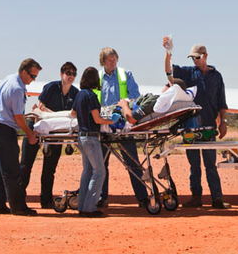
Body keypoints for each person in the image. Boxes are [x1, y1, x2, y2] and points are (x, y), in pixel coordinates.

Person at [164, 40, 230, 209]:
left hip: (209, 126)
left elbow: (222, 101)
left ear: (205, 56)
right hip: (190, 126)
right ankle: (196, 197)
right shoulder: (188, 73)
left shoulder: (216, 76)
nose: (195, 60)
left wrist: (223, 122)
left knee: (210, 164)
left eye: (198, 57)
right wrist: (168, 52)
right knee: (194, 164)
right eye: (192, 58)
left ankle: (217, 198)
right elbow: (169, 73)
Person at [0, 58, 42, 216]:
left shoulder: (9, 78)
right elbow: (18, 117)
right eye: (32, 76)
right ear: (24, 72)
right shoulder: (17, 88)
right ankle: (18, 207)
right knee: (12, 170)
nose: (33, 80)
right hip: (4, 130)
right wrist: (30, 134)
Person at [96, 47, 149, 209]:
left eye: (115, 59)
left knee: (133, 162)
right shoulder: (96, 77)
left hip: (123, 126)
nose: (113, 62)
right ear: (103, 61)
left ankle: (142, 198)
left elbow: (136, 97)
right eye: (110, 59)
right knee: (101, 164)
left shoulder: (126, 75)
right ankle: (101, 198)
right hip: (103, 126)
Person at [19, 61, 78, 209]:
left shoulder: (75, 93)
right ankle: (18, 198)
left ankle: (46, 200)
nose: (71, 76)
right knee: (26, 164)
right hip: (37, 128)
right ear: (61, 74)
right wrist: (58, 116)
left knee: (50, 169)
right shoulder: (51, 87)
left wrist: (56, 118)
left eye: (73, 74)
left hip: (57, 132)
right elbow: (41, 107)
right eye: (68, 73)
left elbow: (74, 114)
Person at [73, 67, 112, 217]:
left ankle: (82, 206)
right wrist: (112, 121)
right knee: (100, 172)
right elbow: (97, 119)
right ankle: (89, 207)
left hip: (81, 137)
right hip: (91, 137)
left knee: (87, 171)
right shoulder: (91, 96)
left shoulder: (79, 94)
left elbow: (73, 113)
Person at [108, 78, 190, 125]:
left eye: (168, 85)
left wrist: (124, 105)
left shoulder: (154, 100)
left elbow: (132, 119)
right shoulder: (160, 103)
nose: (165, 86)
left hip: (113, 112)